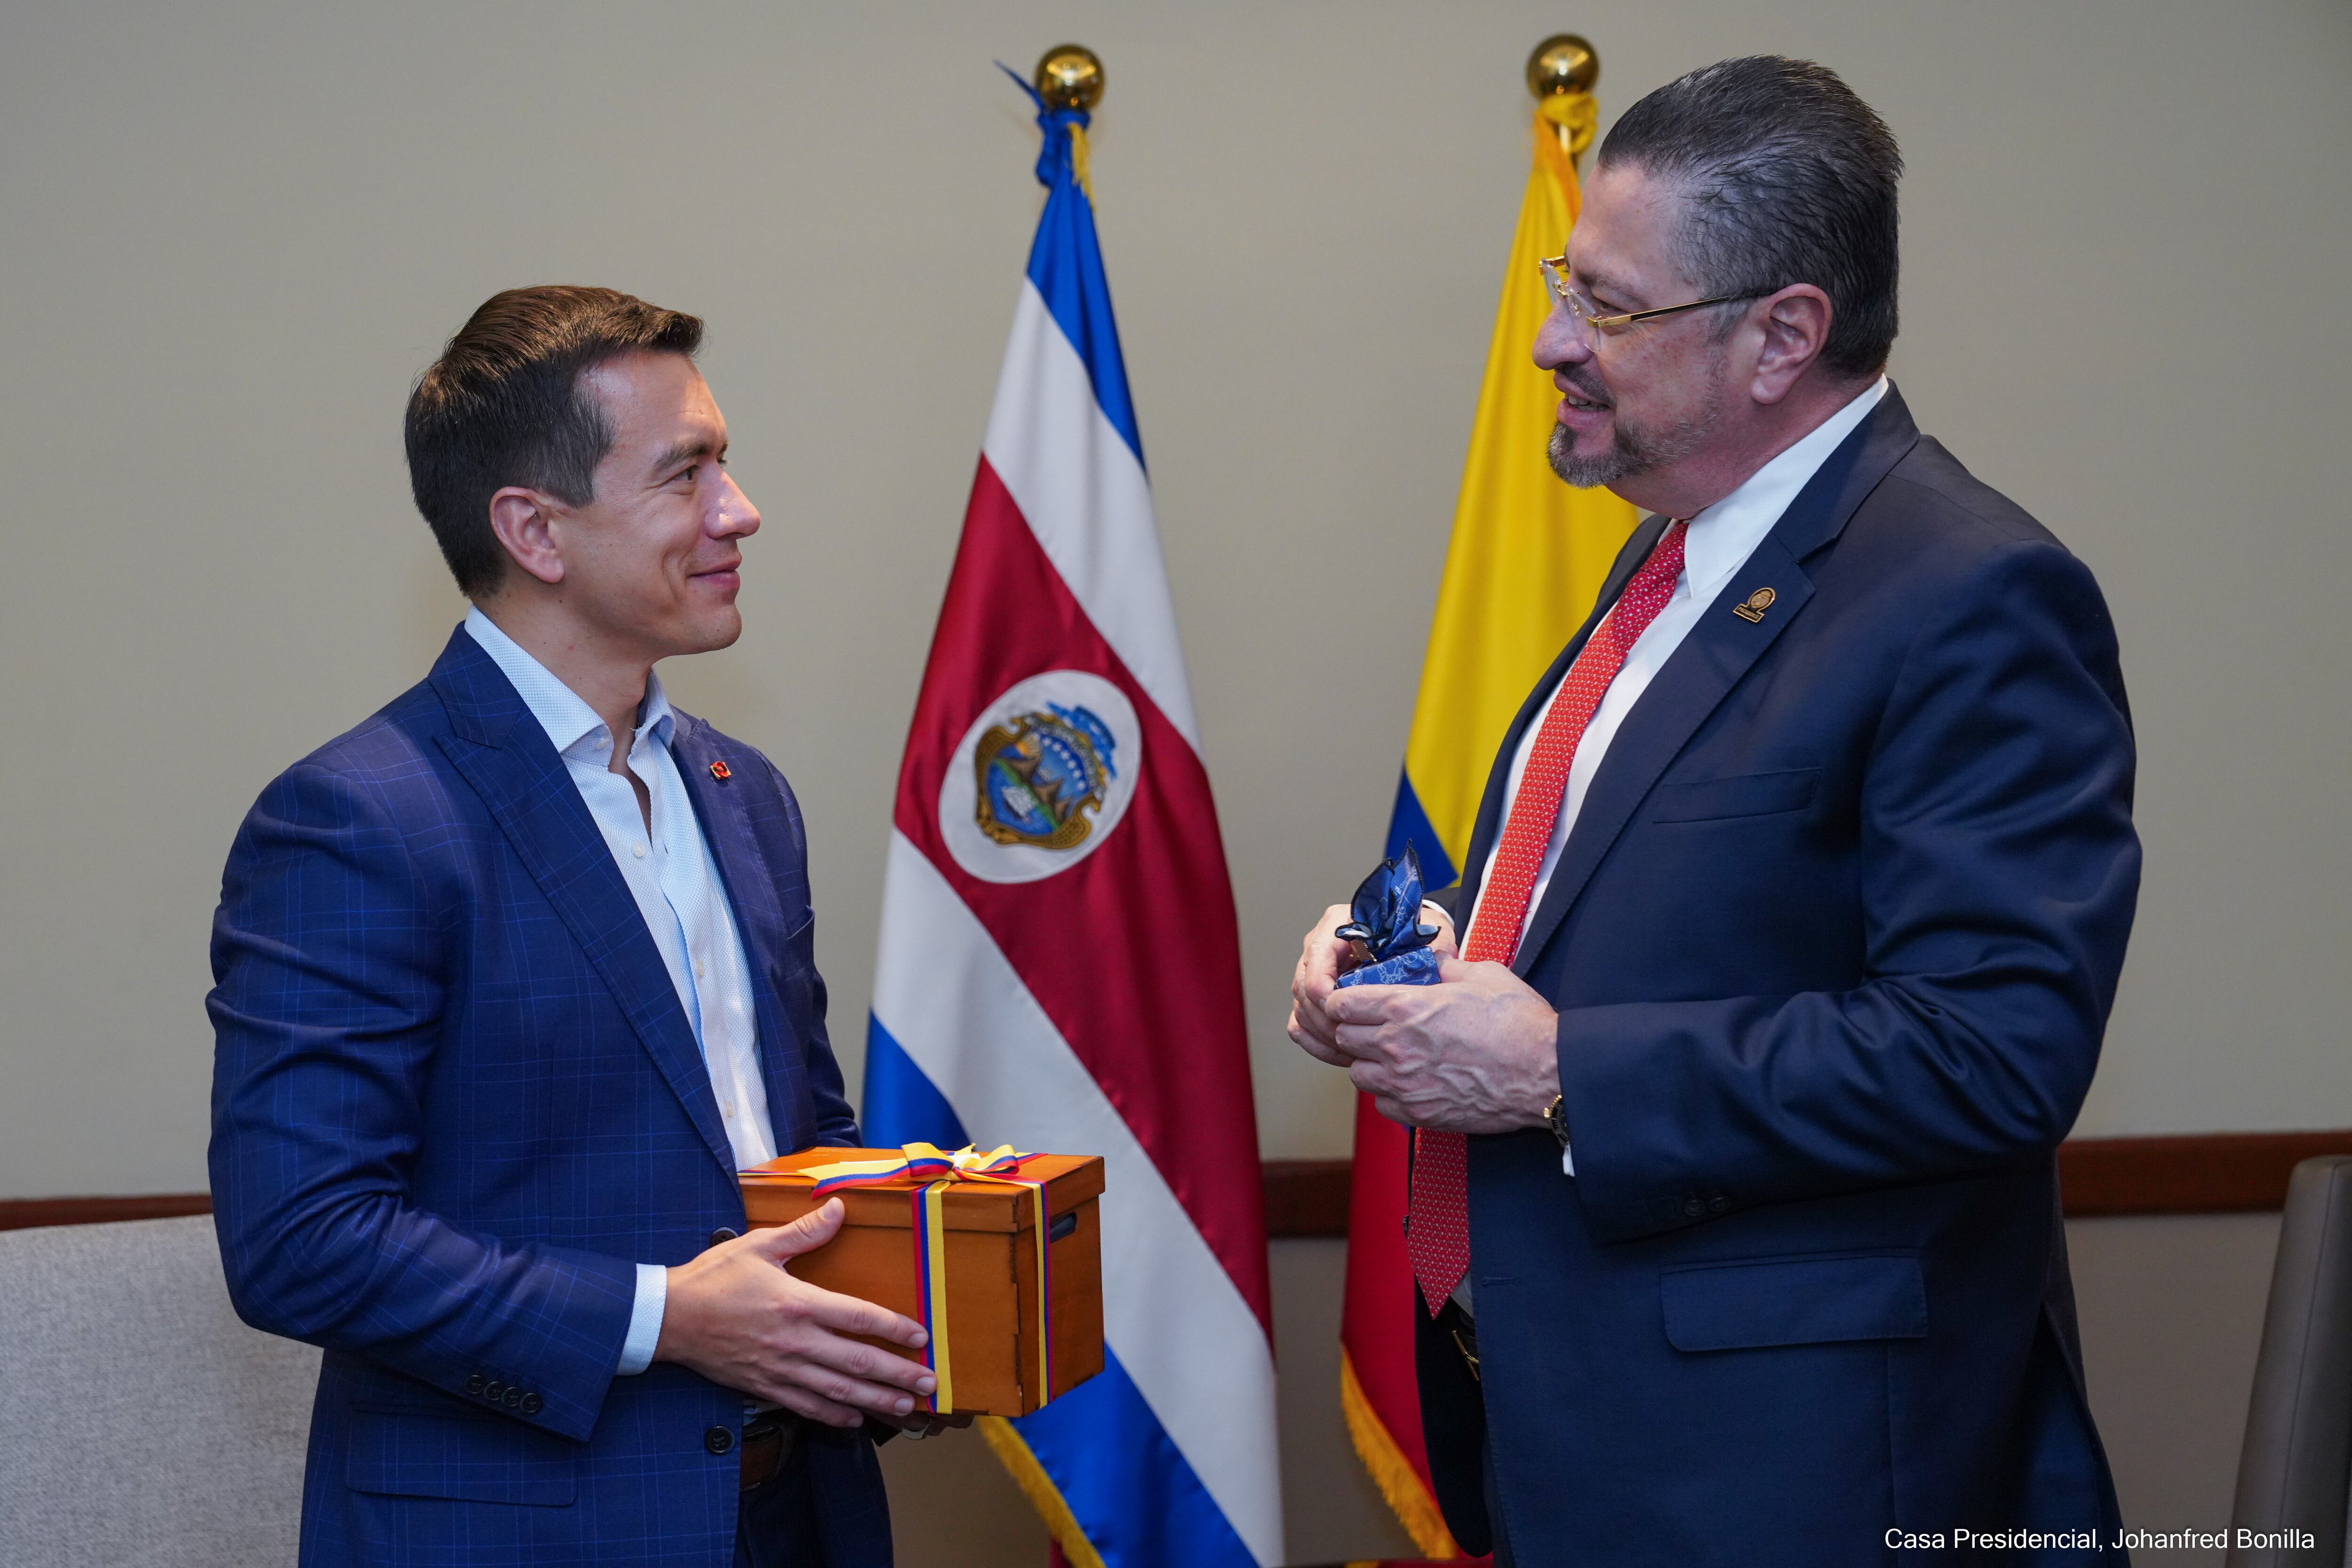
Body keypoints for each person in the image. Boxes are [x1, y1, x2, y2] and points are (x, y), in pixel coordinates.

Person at [1290, 58, 2139, 1566]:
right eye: (1568, 285)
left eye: (1611, 308)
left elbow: (1996, 1050)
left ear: (1782, 336)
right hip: (1597, 1432)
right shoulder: (1672, 560)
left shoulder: (1968, 592)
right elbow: (1646, 913)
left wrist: (1559, 1067)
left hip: (1794, 1473)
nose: (1553, 341)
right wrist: (1410, 959)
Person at [210, 287, 949, 1568]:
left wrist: (914, 1302)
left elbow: (794, 1142)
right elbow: (300, 1242)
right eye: (688, 474)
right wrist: (666, 1317)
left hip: (799, 1513)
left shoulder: (744, 796)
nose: (741, 510)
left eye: (726, 461)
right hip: (532, 1534)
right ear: (534, 530)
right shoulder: (356, 818)